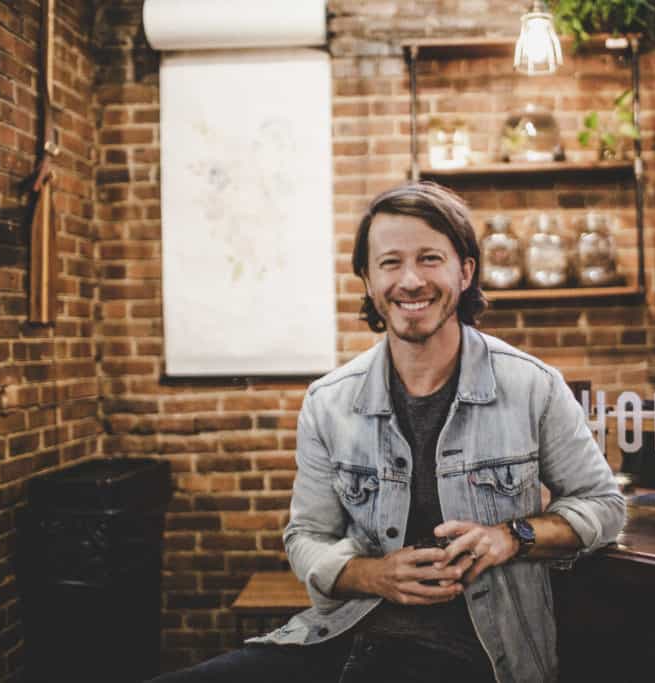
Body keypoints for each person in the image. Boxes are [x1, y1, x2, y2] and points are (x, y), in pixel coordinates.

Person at [149, 182, 625, 683]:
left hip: (481, 652)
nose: (411, 280)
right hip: (341, 634)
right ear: (369, 281)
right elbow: (306, 537)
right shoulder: (329, 402)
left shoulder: (533, 385)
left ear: (465, 272)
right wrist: (373, 574)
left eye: (429, 258)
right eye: (391, 262)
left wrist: (512, 537)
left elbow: (603, 506)